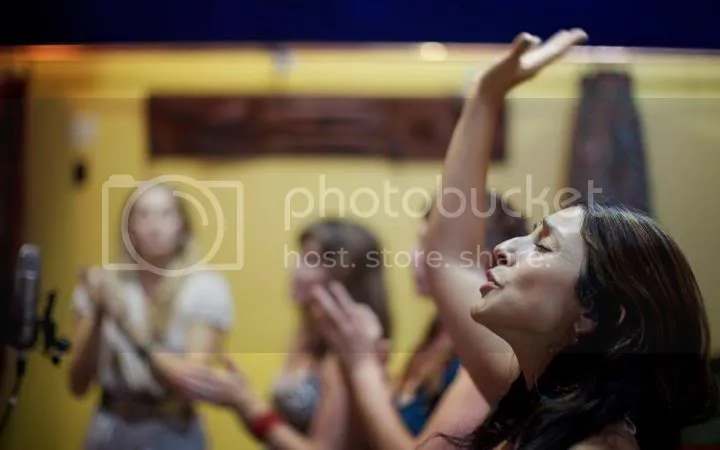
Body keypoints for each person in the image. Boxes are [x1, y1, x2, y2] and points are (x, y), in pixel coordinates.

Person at [420, 29, 718, 449]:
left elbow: (449, 260)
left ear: (591, 315)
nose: (503, 249)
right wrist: (487, 95)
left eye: (542, 245)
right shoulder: (538, 393)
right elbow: (449, 258)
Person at [307, 195, 526, 450]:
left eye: (429, 244)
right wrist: (368, 368)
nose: (413, 255)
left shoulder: (491, 350)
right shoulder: (437, 334)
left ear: (486, 258)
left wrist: (362, 366)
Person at [172, 218, 392, 450]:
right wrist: (241, 397)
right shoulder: (306, 335)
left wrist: (248, 403)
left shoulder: (343, 358)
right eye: (300, 256)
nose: (295, 269)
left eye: (311, 260)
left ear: (345, 276)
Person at [68, 183, 235, 450]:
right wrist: (99, 316)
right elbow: (77, 384)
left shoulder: (205, 286)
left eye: (165, 214)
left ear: (183, 225)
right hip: (111, 427)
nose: (154, 226)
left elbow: (191, 382)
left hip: (174, 431)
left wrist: (124, 324)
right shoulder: (105, 283)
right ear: (129, 228)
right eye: (143, 215)